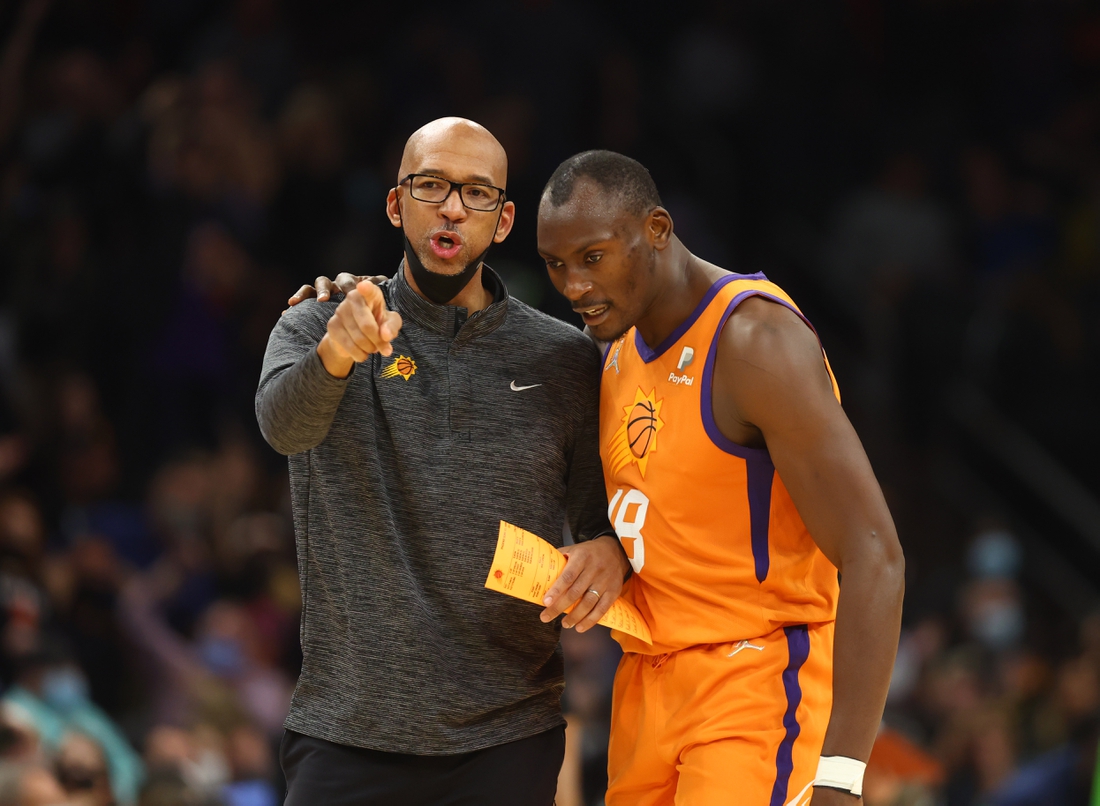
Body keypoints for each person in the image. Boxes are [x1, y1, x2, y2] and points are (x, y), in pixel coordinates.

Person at [256, 118, 629, 805]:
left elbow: (604, 521)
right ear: (397, 204)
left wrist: (608, 549)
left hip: (507, 736)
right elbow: (284, 427)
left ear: (505, 219)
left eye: (477, 193)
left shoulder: (566, 360)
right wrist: (338, 353)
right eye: (431, 186)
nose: (453, 206)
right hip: (347, 731)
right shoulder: (318, 324)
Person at [534, 150, 905, 806]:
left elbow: (876, 554)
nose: (574, 286)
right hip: (648, 685)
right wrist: (615, 552)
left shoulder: (755, 342)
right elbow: (685, 507)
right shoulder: (614, 345)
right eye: (557, 264)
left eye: (593, 257)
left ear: (655, 230)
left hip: (753, 689)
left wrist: (842, 777)